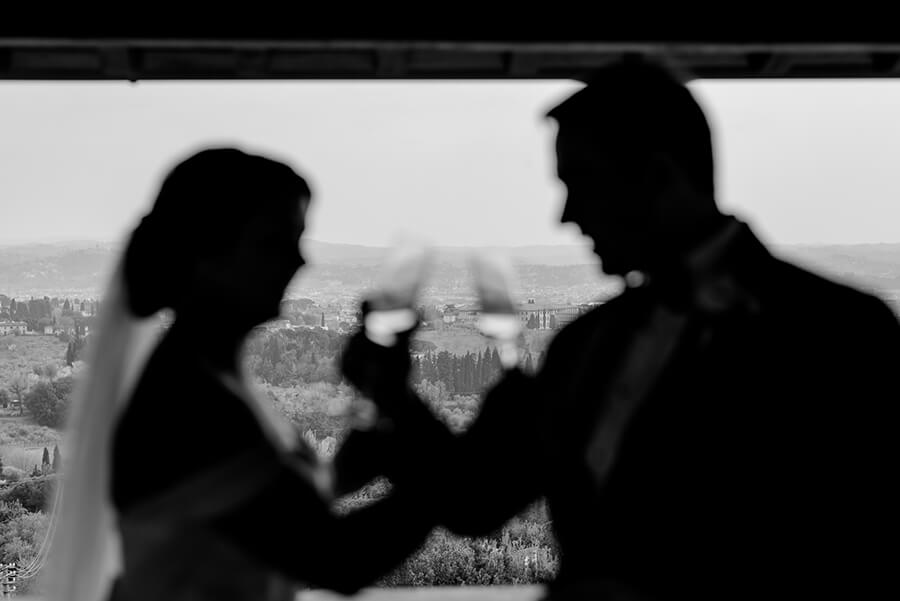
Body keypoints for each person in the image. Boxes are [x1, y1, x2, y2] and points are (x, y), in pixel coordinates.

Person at [338, 59, 900, 600]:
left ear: (658, 177)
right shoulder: (585, 344)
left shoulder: (842, 334)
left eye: (582, 182)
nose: (567, 214)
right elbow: (476, 500)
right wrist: (393, 397)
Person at [47, 148, 435, 601]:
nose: (299, 261)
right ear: (207, 255)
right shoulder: (190, 404)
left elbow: (281, 508)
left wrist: (383, 411)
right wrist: (448, 477)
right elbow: (334, 557)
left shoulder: (211, 379)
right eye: (276, 242)